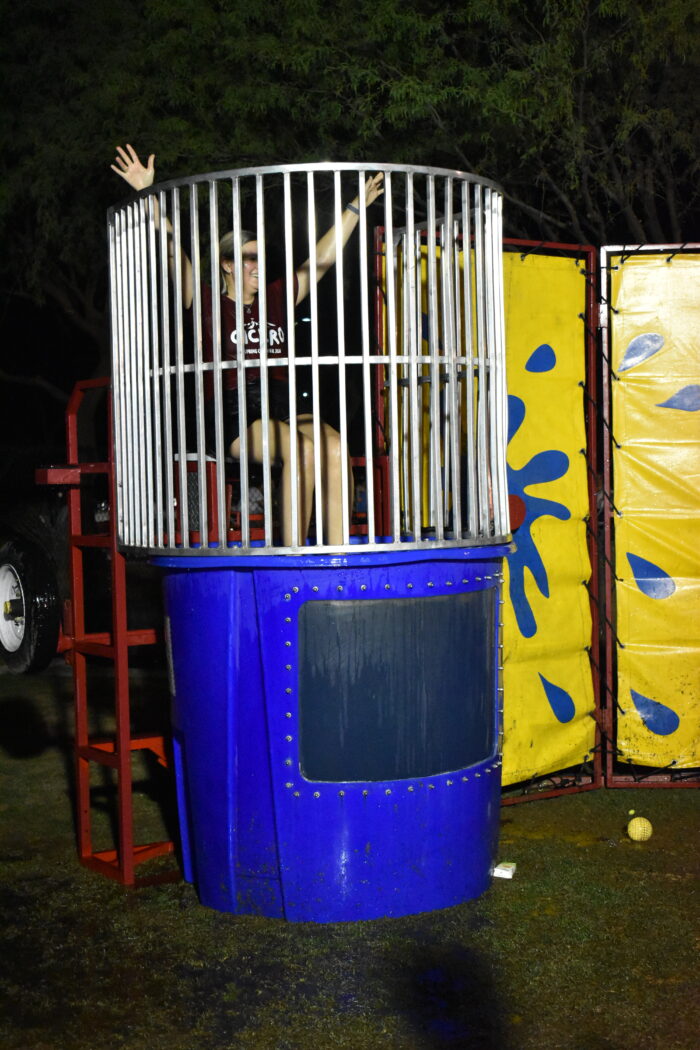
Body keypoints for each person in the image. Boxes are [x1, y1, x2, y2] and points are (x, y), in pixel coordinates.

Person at [111, 144, 383, 546]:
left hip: (282, 405)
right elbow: (172, 253)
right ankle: (292, 556)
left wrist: (354, 209)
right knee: (301, 451)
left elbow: (321, 260)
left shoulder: (276, 297)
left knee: (336, 449)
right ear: (227, 264)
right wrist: (147, 195)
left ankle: (336, 556)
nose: (258, 265)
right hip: (236, 411)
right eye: (249, 258)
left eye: (260, 257)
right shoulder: (207, 301)